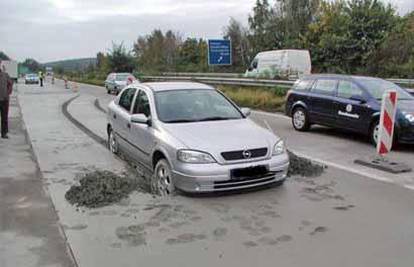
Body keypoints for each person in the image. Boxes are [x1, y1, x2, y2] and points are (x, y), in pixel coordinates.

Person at [0, 61, 12, 139]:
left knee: (4, 117)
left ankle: (4, 133)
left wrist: (7, 94)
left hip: (4, 100)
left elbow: (10, 84)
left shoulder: (5, 75)